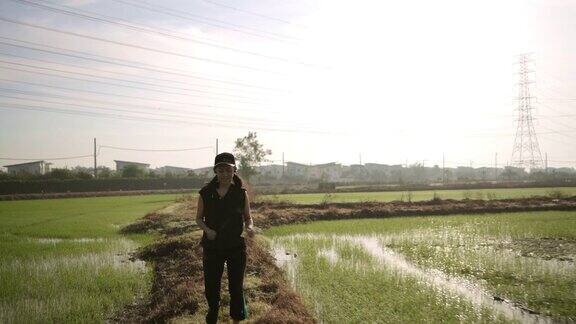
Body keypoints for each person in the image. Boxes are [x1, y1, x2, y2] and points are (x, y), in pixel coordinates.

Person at [195, 152, 254, 324]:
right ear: (216, 172)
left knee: (236, 287)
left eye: (228, 170)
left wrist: (250, 227)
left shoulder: (241, 193)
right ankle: (212, 316)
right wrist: (207, 230)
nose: (225, 174)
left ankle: (236, 319)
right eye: (221, 170)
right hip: (212, 247)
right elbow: (198, 218)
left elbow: (248, 217)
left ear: (234, 171)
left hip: (236, 246)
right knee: (212, 287)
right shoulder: (205, 193)